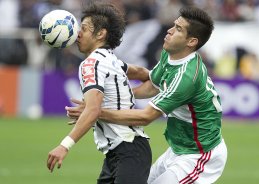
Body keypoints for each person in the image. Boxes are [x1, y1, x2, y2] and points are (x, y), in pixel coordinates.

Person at [67, 5, 227, 184]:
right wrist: (118, 92)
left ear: (191, 42)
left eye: (178, 29)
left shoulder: (187, 77)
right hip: (177, 149)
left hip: (200, 154)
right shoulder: (170, 53)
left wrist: (95, 110)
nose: (169, 30)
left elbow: (145, 116)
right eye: (174, 25)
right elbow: (152, 85)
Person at [47, 2, 152, 184]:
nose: (78, 33)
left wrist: (64, 146)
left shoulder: (91, 64)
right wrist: (123, 94)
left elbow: (94, 110)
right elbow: (147, 75)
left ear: (101, 34)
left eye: (85, 29)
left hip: (128, 151)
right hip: (121, 153)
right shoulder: (113, 61)